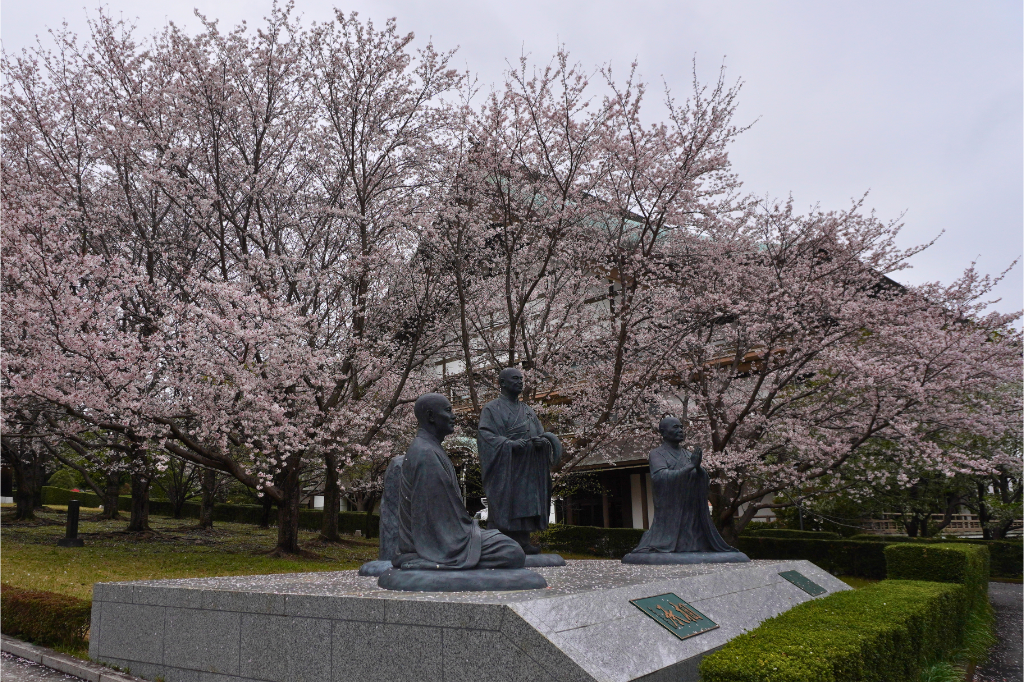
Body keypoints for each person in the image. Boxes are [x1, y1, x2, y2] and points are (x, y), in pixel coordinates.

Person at [392, 393, 524, 570]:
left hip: (449, 536)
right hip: (440, 544)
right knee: (511, 551)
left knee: (503, 541)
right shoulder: (425, 453)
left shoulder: (430, 448)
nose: (454, 416)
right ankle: (430, 561)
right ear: (431, 416)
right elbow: (437, 522)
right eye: (448, 411)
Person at [477, 368, 562, 554]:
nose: (520, 382)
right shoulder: (491, 409)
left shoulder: (528, 410)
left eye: (521, 379)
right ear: (502, 383)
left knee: (527, 503)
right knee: (508, 501)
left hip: (529, 464)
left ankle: (523, 541)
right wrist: (508, 444)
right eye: (515, 379)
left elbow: (538, 433)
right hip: (507, 466)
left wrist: (541, 444)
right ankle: (501, 542)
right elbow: (485, 436)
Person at [630, 416, 738, 554]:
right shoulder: (656, 454)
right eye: (675, 427)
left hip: (691, 508)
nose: (680, 430)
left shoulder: (687, 454)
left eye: (681, 427)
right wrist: (690, 466)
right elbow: (660, 477)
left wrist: (698, 468)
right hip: (671, 509)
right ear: (663, 432)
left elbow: (704, 479)